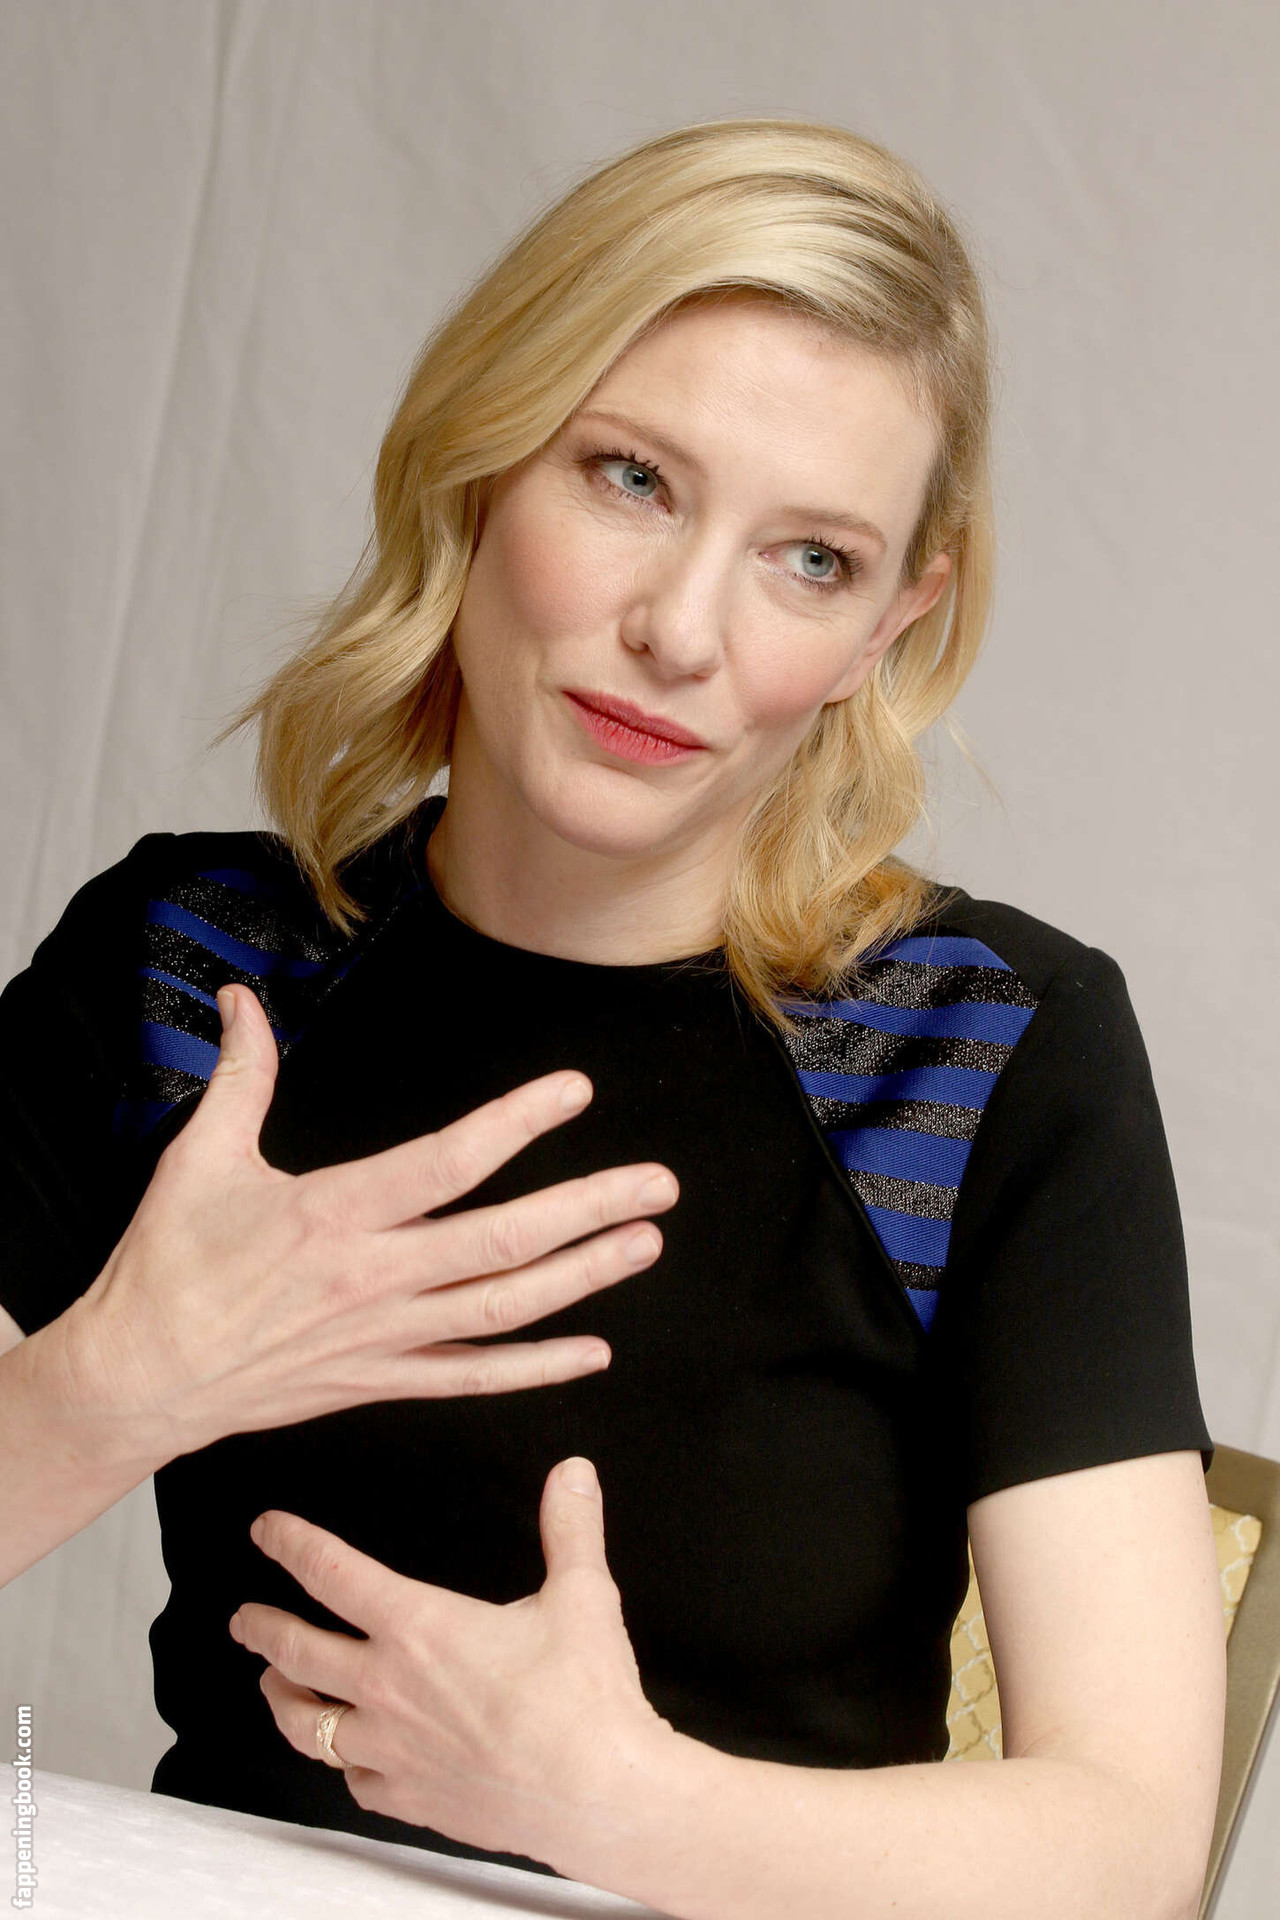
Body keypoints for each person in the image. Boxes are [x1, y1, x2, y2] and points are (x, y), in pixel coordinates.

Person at [0, 116, 1224, 1920]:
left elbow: (1127, 1854)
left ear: (893, 621)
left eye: (812, 559)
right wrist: (100, 1392)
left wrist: (623, 1808)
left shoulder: (979, 1054)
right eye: (632, 478)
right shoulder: (196, 969)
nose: (681, 630)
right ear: (484, 456)